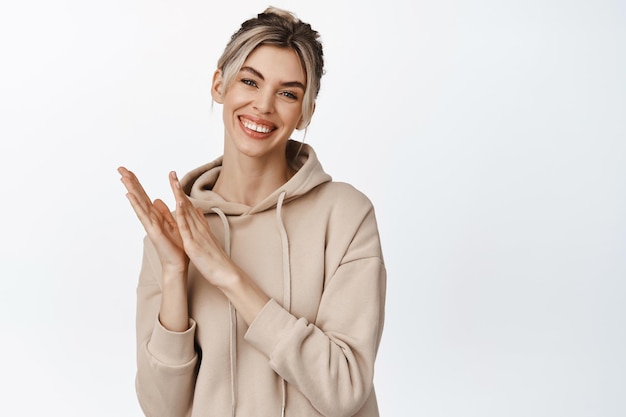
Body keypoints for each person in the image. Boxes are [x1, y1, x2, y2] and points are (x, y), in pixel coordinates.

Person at [118, 7, 386, 417]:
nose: (263, 105)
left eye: (288, 93)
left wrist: (227, 274)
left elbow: (343, 391)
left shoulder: (346, 216)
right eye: (249, 81)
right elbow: (162, 408)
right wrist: (175, 273)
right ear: (218, 84)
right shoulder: (177, 233)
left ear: (306, 111)